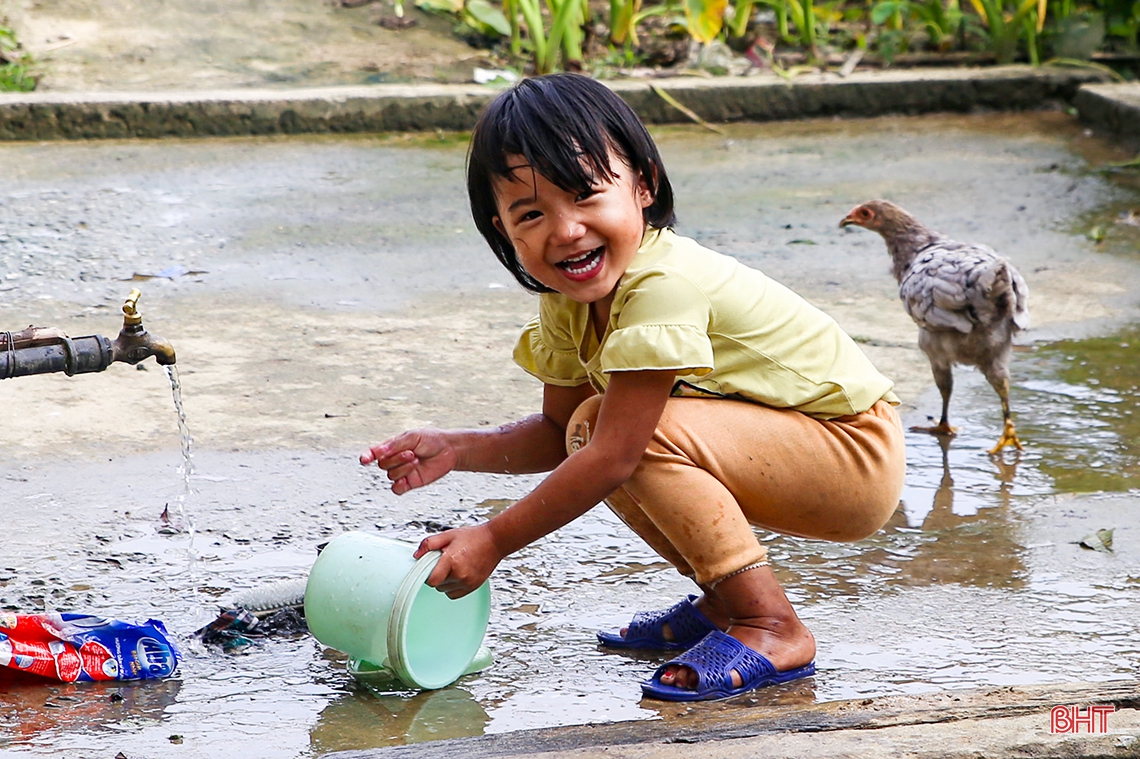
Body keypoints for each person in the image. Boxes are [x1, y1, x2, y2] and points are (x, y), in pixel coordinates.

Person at [360, 73, 907, 702]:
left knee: (612, 435)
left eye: (586, 196)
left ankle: (771, 626)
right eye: (532, 213)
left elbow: (615, 451)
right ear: (502, 227)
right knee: (590, 428)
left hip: (853, 452)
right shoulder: (567, 300)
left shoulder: (662, 283)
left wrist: (493, 540)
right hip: (790, 446)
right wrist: (458, 449)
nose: (565, 231)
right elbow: (559, 438)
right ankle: (726, 606)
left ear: (643, 185)